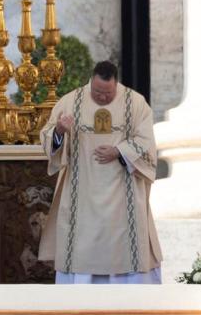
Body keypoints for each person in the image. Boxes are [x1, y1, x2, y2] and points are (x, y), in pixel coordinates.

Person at [38, 60, 162, 283]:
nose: (103, 97)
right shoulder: (70, 102)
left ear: (116, 84)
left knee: (125, 250)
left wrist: (119, 151)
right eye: (98, 92)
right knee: (81, 250)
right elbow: (47, 139)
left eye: (108, 92)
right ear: (90, 83)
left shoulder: (135, 103)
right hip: (82, 194)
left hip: (124, 195)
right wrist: (59, 130)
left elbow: (147, 143)